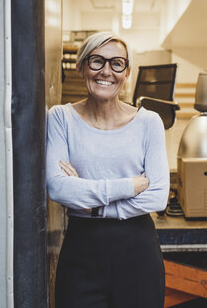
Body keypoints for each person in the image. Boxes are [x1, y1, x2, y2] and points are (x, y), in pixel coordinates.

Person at [46, 31, 169, 308]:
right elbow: (58, 186)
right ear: (81, 67)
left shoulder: (149, 122)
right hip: (82, 252)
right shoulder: (60, 118)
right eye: (97, 61)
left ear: (127, 73)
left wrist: (93, 205)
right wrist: (128, 186)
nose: (106, 71)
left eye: (117, 64)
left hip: (137, 251)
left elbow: (158, 195)